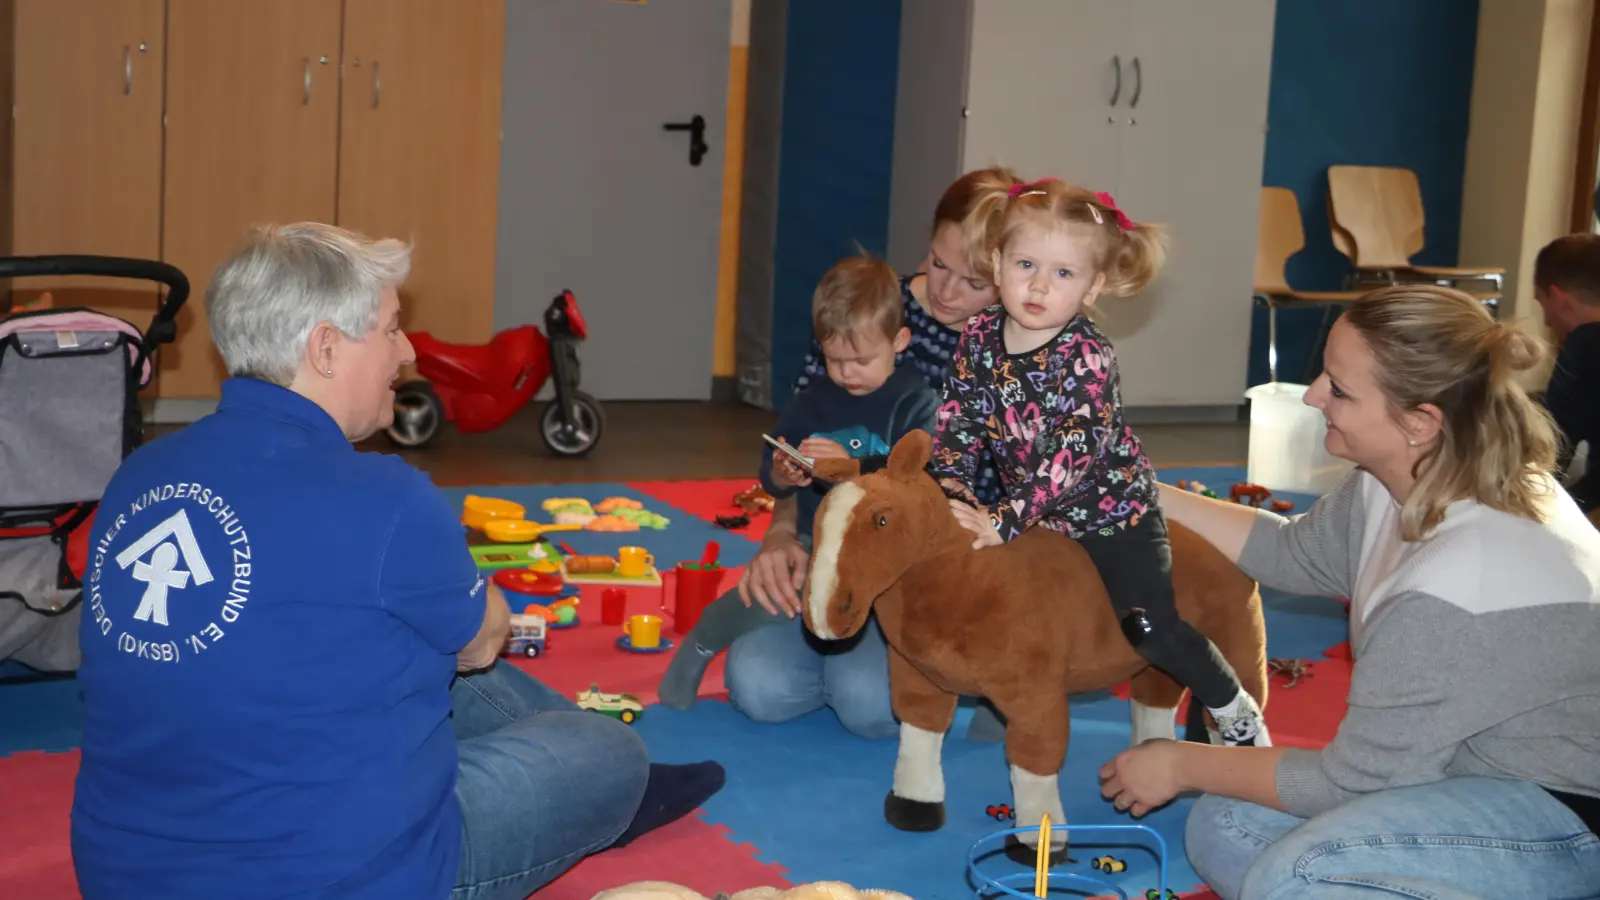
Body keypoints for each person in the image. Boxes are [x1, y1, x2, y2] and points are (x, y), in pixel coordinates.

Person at [70, 223, 724, 900]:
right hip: (346, 877)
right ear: (326, 348)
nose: (407, 351)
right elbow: (486, 641)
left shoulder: (139, 475)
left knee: (376, 643)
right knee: (609, 752)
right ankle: (603, 787)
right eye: (389, 329)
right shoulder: (384, 495)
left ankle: (538, 754)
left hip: (125, 873)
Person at [1099, 285, 1600, 899]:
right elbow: (1294, 553)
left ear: (1419, 422)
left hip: (1560, 816)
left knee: (1292, 877)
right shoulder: (1400, 476)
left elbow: (1350, 783)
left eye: (1338, 388)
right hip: (1448, 771)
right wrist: (1140, 491)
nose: (1313, 395)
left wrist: (1178, 762)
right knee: (1224, 822)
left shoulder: (1456, 585)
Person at [926, 177, 1271, 748]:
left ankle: (1233, 707)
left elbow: (1072, 455)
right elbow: (959, 419)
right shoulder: (981, 334)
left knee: (1149, 628)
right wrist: (954, 493)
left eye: (1063, 274)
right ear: (997, 260)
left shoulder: (1085, 355)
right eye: (1026, 264)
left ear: (1093, 286)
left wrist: (1004, 519)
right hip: (1035, 515)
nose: (1039, 285)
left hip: (1113, 517)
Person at [730, 166, 1020, 741]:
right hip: (839, 546)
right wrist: (781, 534)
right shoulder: (867, 308)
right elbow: (800, 437)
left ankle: (971, 665)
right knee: (756, 685)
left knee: (865, 704)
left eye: (974, 282)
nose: (945, 292)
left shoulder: (1014, 350)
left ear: (1013, 278)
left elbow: (1017, 507)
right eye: (938, 263)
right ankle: (910, 668)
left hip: (939, 568)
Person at [658, 255, 938, 738]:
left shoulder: (917, 400)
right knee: (763, 652)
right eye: (835, 360)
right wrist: (786, 474)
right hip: (816, 548)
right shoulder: (813, 399)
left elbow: (917, 484)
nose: (847, 373)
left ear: (899, 342)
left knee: (873, 713)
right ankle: (706, 640)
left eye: (862, 361)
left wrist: (848, 469)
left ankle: (844, 672)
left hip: (888, 570)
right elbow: (772, 471)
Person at [1533, 233, 1600, 512]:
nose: (1546, 319)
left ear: (1559, 298)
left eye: (1541, 303)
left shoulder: (1586, 344)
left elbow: (1554, 446)